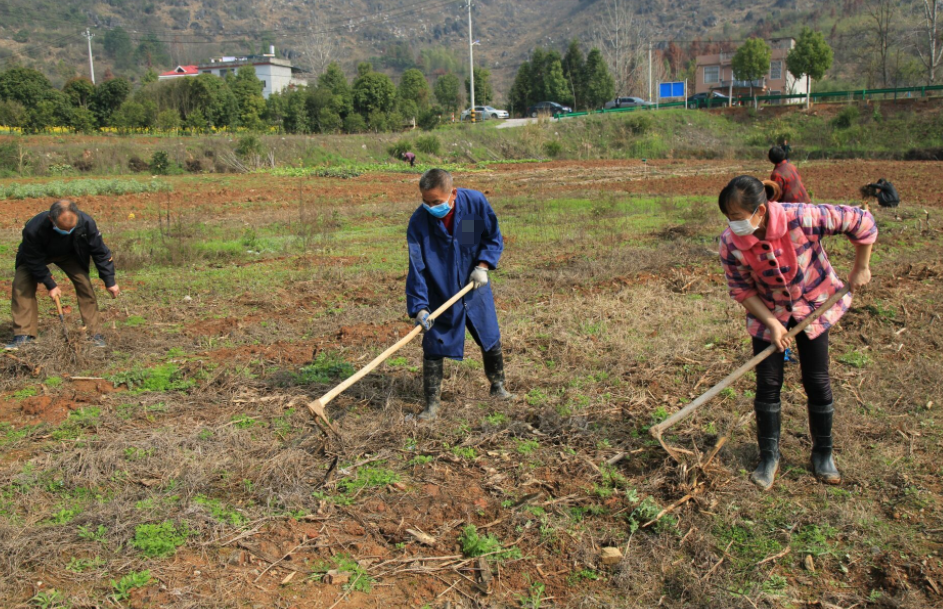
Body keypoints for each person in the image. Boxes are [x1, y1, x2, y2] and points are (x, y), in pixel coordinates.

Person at [717, 176, 876, 490]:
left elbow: (862, 221)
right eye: (728, 218)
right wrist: (773, 324)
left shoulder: (802, 217)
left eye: (737, 218)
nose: (732, 225)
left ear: (760, 210)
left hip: (813, 304)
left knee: (816, 379)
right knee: (768, 382)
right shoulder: (730, 242)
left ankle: (823, 454)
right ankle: (769, 456)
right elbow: (741, 288)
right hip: (768, 310)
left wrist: (861, 267)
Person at [406, 168, 512, 420]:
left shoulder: (473, 204)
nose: (430, 207)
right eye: (425, 201)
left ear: (452, 193)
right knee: (434, 342)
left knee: (488, 334)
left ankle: (498, 387)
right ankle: (432, 406)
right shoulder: (419, 222)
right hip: (439, 289)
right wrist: (420, 306)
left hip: (472, 284)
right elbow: (417, 266)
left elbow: (491, 237)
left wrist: (482, 266)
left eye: (436, 202)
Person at [6, 200, 119, 350]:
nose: (67, 233)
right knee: (21, 284)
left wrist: (109, 280)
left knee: (84, 284)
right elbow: (33, 260)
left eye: (70, 230)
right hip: (37, 256)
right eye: (62, 229)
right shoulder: (34, 228)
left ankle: (93, 334)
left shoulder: (86, 223)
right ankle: (24, 335)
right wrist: (51, 284)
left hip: (69, 255)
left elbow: (101, 252)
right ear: (51, 219)